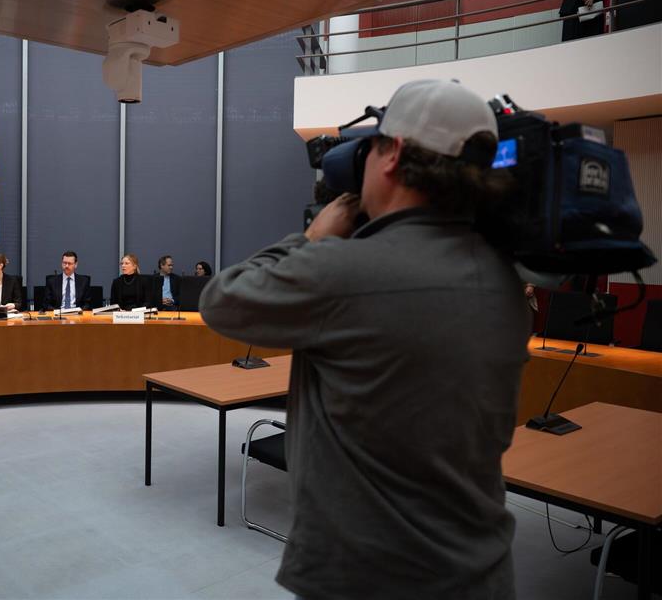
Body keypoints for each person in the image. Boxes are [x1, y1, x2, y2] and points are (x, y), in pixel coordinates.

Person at [200, 80, 530, 599]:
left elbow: (222, 301)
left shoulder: (345, 270)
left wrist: (310, 241)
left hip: (368, 576)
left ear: (393, 154)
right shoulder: (504, 277)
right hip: (479, 571)